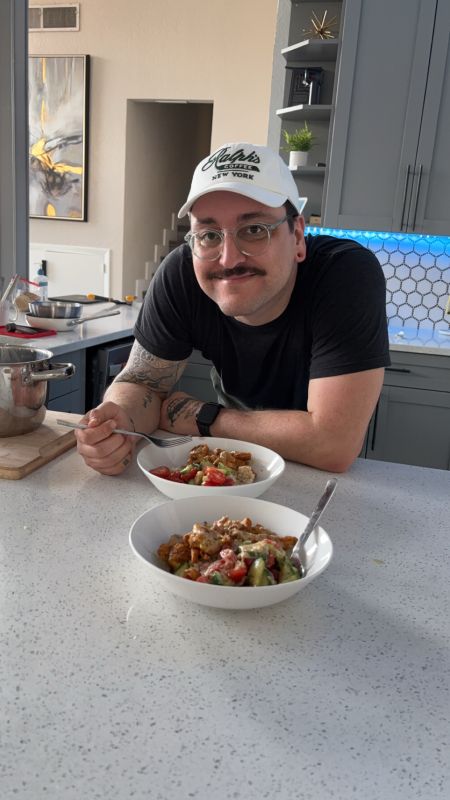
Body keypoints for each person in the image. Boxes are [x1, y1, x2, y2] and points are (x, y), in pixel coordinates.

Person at [75, 141, 390, 475]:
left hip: (321, 478)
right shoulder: (182, 273)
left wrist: (204, 417)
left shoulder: (344, 274)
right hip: (233, 464)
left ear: (297, 236)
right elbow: (142, 384)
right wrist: (119, 423)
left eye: (254, 230)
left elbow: (333, 445)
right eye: (209, 235)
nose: (228, 259)